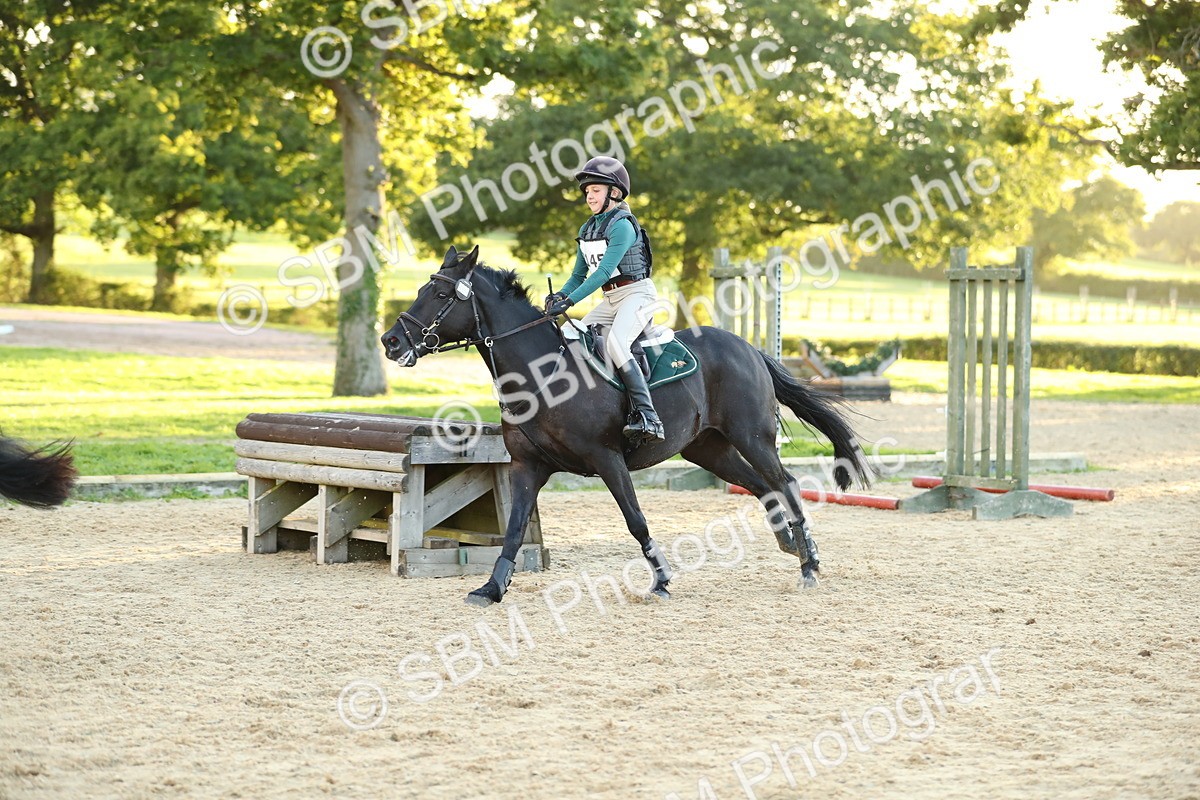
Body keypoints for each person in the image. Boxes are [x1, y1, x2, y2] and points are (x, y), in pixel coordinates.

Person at [544, 156, 665, 444]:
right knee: (570, 337)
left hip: (638, 294)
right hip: (611, 299)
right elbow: (577, 275)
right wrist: (559, 296)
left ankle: (649, 417)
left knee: (616, 344)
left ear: (615, 192)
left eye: (595, 190)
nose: (589, 196)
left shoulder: (622, 225)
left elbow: (604, 272)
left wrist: (570, 302)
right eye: (587, 192)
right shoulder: (588, 229)